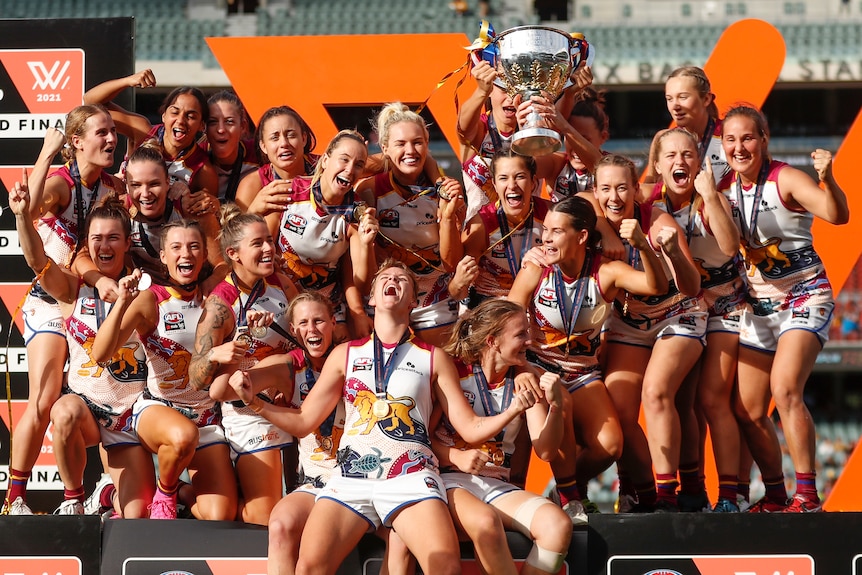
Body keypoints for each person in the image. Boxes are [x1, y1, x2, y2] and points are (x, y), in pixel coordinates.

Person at [227, 259, 536, 575]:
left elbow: (470, 428)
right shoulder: (344, 354)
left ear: (413, 302)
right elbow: (305, 420)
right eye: (385, 277)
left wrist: (512, 410)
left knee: (444, 566)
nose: (393, 280)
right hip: (351, 477)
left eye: (402, 279)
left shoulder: (434, 358)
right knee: (309, 569)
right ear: (371, 298)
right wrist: (255, 403)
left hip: (410, 477)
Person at [720, 105, 848, 513]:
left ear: (764, 138)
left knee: (786, 389)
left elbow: (836, 214)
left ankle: (808, 496)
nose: (739, 147)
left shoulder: (786, 178)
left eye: (747, 138)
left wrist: (827, 179)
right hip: (759, 307)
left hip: (804, 295)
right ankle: (776, 494)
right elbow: (721, 247)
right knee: (747, 409)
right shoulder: (722, 187)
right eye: (731, 139)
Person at [508, 195, 667, 521]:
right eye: (545, 230)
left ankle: (562, 488)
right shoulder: (536, 267)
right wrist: (520, 368)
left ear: (581, 236)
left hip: (582, 371)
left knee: (611, 447)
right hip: (539, 367)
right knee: (556, 406)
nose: (546, 238)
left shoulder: (605, 271)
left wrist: (643, 246)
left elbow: (655, 285)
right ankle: (570, 500)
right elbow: (505, 318)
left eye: (556, 231)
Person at [3, 107, 124, 515]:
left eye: (112, 131)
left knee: (114, 393)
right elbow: (30, 207)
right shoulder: (62, 182)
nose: (112, 139)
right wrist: (45, 154)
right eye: (102, 133)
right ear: (76, 142)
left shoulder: (112, 186)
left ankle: (100, 494)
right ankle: (15, 498)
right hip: (55, 301)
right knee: (43, 400)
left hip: (96, 302)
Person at [11, 185, 152, 517]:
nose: (104, 245)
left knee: (138, 514)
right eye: (97, 238)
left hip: (128, 418)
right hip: (87, 409)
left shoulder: (145, 289)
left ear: (128, 243)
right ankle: (73, 498)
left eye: (114, 238)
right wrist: (22, 218)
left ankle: (104, 498)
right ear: (86, 245)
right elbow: (38, 262)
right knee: (62, 411)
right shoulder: (71, 289)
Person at [88, 219, 238, 520]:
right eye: (177, 247)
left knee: (220, 515)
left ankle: (180, 494)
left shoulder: (221, 296)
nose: (187, 254)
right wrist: (123, 303)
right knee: (182, 437)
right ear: (163, 256)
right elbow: (100, 354)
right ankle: (165, 492)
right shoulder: (152, 299)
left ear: (205, 255)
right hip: (159, 411)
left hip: (207, 419)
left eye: (195, 246)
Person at [595, 153, 704, 512]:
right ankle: (638, 490)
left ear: (636, 192)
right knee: (618, 410)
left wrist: (665, 248)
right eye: (606, 188)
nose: (614, 197)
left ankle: (666, 496)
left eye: (623, 188)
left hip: (678, 314)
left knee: (656, 393)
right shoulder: (590, 222)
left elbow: (691, 287)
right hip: (629, 322)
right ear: (595, 193)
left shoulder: (656, 220)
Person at [645, 128, 744, 511]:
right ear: (656, 165)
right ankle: (690, 490)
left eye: (688, 154)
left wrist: (709, 196)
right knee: (682, 401)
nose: (679, 162)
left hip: (726, 304)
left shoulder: (712, 198)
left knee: (713, 400)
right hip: (682, 306)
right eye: (669, 156)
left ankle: (731, 497)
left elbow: (729, 245)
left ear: (700, 162)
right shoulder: (649, 200)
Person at [435, 299, 572, 575]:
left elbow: (545, 450)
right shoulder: (452, 372)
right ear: (493, 341)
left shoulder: (524, 378)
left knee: (557, 526)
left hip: (496, 486)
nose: (529, 341)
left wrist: (556, 407)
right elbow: (420, 439)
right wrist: (456, 456)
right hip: (449, 481)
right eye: (521, 334)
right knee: (486, 524)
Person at [189, 209, 299, 525]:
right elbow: (197, 378)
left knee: (296, 500)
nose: (268, 249)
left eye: (269, 241)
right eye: (258, 244)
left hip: (289, 402)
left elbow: (307, 338)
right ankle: (207, 497)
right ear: (233, 254)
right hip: (247, 413)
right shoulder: (220, 304)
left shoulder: (281, 284)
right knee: (265, 518)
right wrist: (217, 354)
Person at [356, 102, 465, 346]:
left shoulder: (446, 191)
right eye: (400, 143)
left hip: (433, 299)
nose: (410, 150)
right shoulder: (369, 189)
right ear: (384, 147)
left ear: (427, 144)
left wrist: (447, 217)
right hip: (388, 296)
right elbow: (342, 169)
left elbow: (451, 264)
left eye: (417, 142)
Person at [267, 129, 378, 341]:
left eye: (358, 165)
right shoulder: (289, 192)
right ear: (326, 159)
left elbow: (361, 284)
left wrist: (365, 244)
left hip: (328, 308)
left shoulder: (357, 211)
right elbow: (258, 246)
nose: (349, 169)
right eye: (343, 160)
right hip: (283, 300)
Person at [83, 69, 219, 195]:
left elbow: (207, 215)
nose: (181, 120)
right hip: (124, 214)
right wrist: (128, 81)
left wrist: (185, 198)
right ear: (164, 115)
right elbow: (90, 102)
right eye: (175, 112)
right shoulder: (143, 131)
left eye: (190, 116)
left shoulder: (203, 170)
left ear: (202, 125)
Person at [454, 150, 549, 307]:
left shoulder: (551, 215)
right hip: (492, 306)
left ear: (533, 183)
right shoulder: (480, 225)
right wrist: (458, 283)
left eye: (520, 177)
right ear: (495, 185)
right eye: (503, 178)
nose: (512, 185)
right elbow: (457, 292)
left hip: (537, 303)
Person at [645, 66, 729, 186]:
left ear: (706, 99)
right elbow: (650, 191)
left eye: (683, 97)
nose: (675, 106)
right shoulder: (664, 138)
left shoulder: (730, 134)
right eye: (669, 99)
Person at [236, 105, 318, 223]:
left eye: (291, 135)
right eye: (275, 138)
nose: (284, 143)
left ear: (304, 139)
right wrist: (253, 211)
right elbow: (236, 239)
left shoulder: (325, 169)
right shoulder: (252, 184)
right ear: (263, 146)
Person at [550, 87, 609, 202]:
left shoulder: (615, 167)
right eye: (571, 139)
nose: (577, 149)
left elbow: (600, 167)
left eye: (584, 140)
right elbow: (525, 161)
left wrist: (566, 128)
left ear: (603, 137)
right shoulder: (557, 164)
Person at [206, 89, 259, 203]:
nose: (221, 129)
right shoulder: (196, 158)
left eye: (229, 122)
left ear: (243, 126)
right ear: (204, 128)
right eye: (213, 122)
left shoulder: (260, 153)